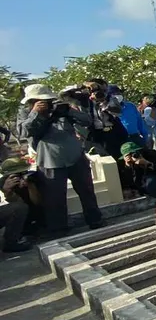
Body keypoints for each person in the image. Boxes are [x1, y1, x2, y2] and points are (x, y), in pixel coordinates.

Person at [20, 84, 103, 233]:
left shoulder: (61, 108)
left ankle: (95, 219)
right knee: (55, 198)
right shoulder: (25, 112)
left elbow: (87, 121)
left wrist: (69, 110)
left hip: (75, 155)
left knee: (87, 191)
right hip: (49, 160)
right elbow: (23, 131)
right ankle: (59, 229)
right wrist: (36, 113)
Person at [0, 157, 45, 239]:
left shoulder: (33, 177)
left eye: (22, 173)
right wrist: (7, 191)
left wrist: (30, 186)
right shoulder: (4, 182)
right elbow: (16, 207)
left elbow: (38, 202)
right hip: (23, 213)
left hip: (39, 212)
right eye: (15, 175)